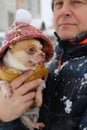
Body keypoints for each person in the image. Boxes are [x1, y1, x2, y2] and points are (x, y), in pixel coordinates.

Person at [0, 9, 54, 130]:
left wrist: (39, 90)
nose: (41, 54)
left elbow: (41, 80)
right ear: (11, 47)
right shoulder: (3, 71)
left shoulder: (39, 69)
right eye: (31, 50)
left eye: (41, 49)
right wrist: (3, 117)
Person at [38, 0, 87, 130]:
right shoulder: (48, 59)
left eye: (76, 2)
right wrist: (6, 118)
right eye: (59, 3)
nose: (63, 11)